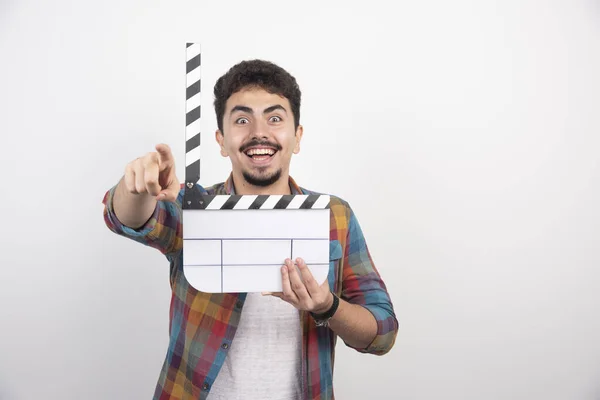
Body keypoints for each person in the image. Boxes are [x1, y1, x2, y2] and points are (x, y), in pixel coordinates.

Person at [102, 59, 398, 400]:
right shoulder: (194, 208)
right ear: (221, 140)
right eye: (242, 120)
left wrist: (327, 307)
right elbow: (125, 218)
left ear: (297, 137)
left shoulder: (334, 216)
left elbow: (382, 333)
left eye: (275, 118)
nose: (259, 132)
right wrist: (138, 187)